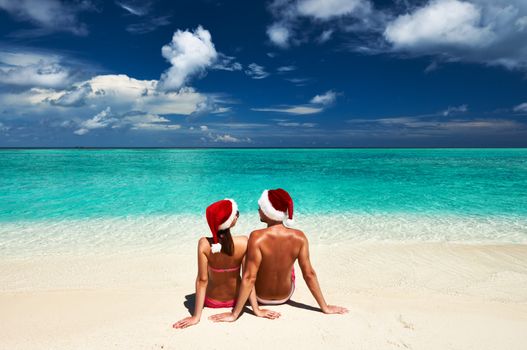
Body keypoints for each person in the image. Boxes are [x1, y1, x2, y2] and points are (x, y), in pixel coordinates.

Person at [209, 189, 348, 323]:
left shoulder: (256, 237)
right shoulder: (300, 237)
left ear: (269, 212)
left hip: (260, 297)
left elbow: (249, 277)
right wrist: (325, 307)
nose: (258, 210)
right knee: (288, 262)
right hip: (285, 296)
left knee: (252, 263)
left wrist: (234, 314)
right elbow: (309, 274)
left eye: (260, 207)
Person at [173, 198, 280, 329]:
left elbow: (202, 281)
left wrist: (196, 317)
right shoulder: (244, 242)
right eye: (235, 214)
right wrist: (256, 310)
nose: (237, 215)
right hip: (238, 300)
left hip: (211, 301)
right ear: (231, 221)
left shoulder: (204, 244)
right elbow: (248, 278)